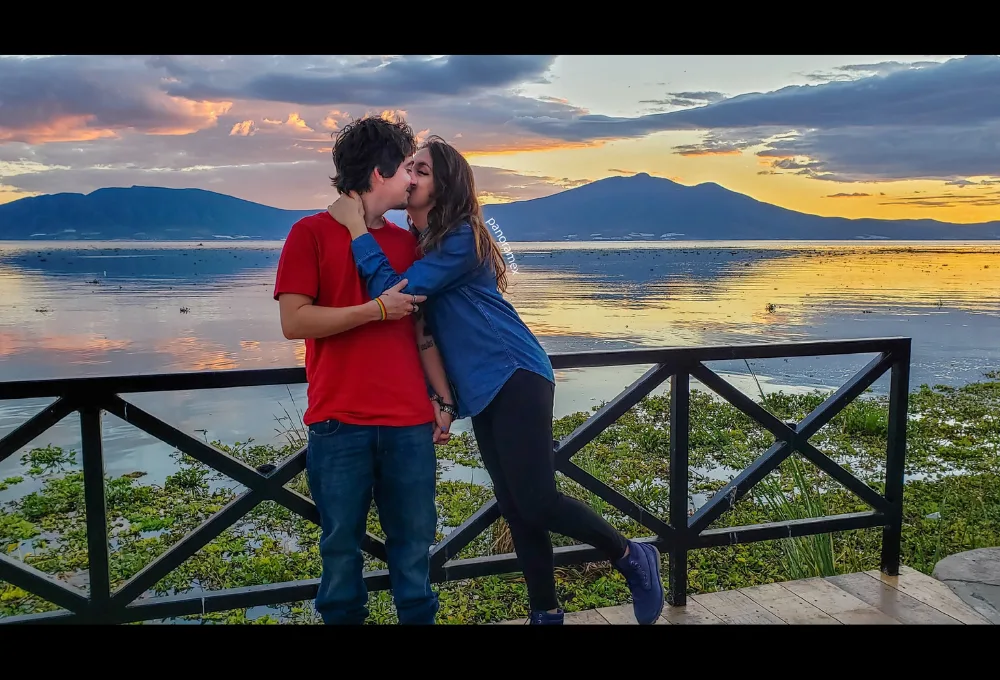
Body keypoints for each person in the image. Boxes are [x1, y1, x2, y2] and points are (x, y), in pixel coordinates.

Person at [327, 134, 665, 625]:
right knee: (517, 508)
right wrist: (441, 398)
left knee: (536, 499)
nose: (410, 176)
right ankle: (545, 614)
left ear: (444, 186)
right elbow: (425, 335)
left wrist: (357, 230)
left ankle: (632, 555)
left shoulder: (461, 236)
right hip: (482, 388)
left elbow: (393, 295)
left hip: (515, 372)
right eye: (408, 168)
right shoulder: (422, 245)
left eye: (421, 170)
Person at [273, 116, 455, 625]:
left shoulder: (405, 242)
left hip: (409, 423)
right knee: (340, 562)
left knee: (415, 557)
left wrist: (441, 400)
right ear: (380, 174)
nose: (412, 180)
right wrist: (374, 310)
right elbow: (294, 321)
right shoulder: (308, 233)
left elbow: (422, 333)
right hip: (338, 422)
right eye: (405, 169)